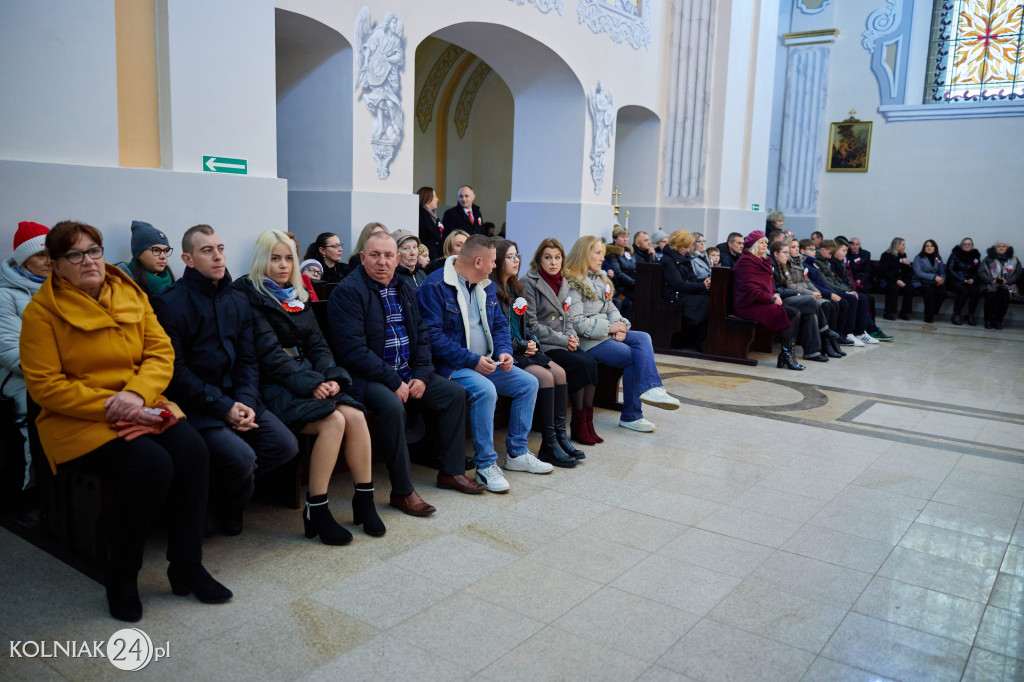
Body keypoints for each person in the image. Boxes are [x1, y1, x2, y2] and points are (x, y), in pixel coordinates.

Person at [20, 220, 231, 622]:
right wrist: (116, 406)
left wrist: (136, 396)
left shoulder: (130, 293)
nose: (89, 262)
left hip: (142, 401)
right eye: (75, 255)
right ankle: (122, 575)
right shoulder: (41, 313)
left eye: (94, 251)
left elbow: (160, 353)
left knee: (193, 451)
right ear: (57, 264)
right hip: (79, 418)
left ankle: (186, 565)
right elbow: (47, 388)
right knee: (151, 465)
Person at [235, 230, 385, 542]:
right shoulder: (251, 296)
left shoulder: (296, 295)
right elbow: (271, 356)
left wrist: (330, 377)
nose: (282, 265)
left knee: (355, 416)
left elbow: (318, 346)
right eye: (275, 258)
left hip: (306, 378)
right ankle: (316, 508)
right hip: (272, 384)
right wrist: (314, 383)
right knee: (334, 421)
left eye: (288, 258)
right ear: (262, 260)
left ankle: (364, 500)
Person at [152, 225, 298, 537]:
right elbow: (175, 373)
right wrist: (224, 408)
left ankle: (218, 498)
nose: (218, 256)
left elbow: (248, 359)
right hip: (197, 405)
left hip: (239, 397)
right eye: (207, 250)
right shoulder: (169, 303)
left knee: (284, 446)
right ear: (188, 260)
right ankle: (227, 508)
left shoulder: (236, 299)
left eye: (220, 248)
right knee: (241, 457)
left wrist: (244, 401)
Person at [329, 231, 485, 503]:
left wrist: (422, 376)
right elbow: (352, 351)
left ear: (397, 258)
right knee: (391, 406)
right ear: (363, 257)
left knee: (453, 394)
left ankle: (451, 472)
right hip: (367, 378)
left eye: (389, 256)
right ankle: (402, 490)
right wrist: (394, 381)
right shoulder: (349, 291)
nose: (382, 262)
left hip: (407, 373)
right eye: (375, 255)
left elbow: (422, 336)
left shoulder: (404, 287)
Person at [417, 234, 551, 493]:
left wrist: (503, 351)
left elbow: (500, 324)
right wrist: (472, 360)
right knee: (485, 390)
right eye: (491, 261)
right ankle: (485, 464)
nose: (494, 266)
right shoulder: (435, 286)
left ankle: (517, 453)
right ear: (478, 261)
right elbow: (433, 338)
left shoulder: (485, 285)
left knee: (528, 383)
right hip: (451, 366)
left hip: (486, 362)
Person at [565, 235, 680, 433]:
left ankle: (653, 389)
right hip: (588, 341)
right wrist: (611, 328)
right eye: (598, 253)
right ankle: (631, 415)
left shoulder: (600, 278)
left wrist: (621, 326)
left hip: (605, 333)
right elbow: (576, 323)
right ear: (584, 255)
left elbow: (611, 309)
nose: (603, 258)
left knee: (643, 337)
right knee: (632, 357)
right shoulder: (573, 284)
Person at [490, 239, 577, 468]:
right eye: (510, 256)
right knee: (547, 377)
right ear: (498, 260)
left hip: (523, 347)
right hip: (508, 351)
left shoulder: (516, 287)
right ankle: (548, 443)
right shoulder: (492, 289)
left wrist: (532, 342)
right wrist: (521, 345)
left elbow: (527, 326)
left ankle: (559, 436)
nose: (516, 259)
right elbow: (496, 331)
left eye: (517, 255)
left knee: (560, 373)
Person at [522, 238, 600, 450]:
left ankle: (586, 423)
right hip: (545, 344)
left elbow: (567, 319)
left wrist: (572, 336)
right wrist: (564, 340)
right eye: (548, 257)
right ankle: (576, 424)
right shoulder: (529, 282)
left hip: (563, 341)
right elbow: (532, 325)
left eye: (557, 258)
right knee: (580, 365)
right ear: (539, 260)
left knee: (591, 362)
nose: (553, 262)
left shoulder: (563, 282)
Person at [0, 221, 50, 490]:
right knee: (42, 417)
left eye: (52, 254)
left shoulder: (68, 288)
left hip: (66, 372)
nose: (49, 261)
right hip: (22, 378)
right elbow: (10, 351)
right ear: (24, 260)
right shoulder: (6, 295)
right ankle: (34, 491)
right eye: (41, 255)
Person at [732, 231, 804, 370]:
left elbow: (768, 285)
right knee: (791, 313)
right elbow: (750, 289)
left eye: (766, 242)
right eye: (761, 242)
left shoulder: (759, 261)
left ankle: (786, 354)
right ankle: (786, 355)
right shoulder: (746, 263)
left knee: (794, 312)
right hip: (748, 305)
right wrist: (771, 298)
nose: (765, 245)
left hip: (760, 302)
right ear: (753, 245)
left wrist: (775, 294)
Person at [816, 240, 885, 344]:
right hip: (829, 290)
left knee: (862, 297)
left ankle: (860, 332)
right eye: (843, 250)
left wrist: (849, 290)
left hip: (834, 289)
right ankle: (848, 332)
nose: (845, 254)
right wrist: (845, 291)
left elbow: (836, 280)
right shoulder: (820, 262)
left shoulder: (827, 261)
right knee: (852, 298)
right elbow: (827, 283)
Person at [786, 239, 846, 358]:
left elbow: (807, 281)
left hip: (807, 294)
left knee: (832, 305)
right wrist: (811, 294)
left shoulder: (800, 262)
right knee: (824, 305)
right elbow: (790, 285)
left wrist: (817, 292)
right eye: (793, 247)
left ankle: (829, 342)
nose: (796, 249)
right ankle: (825, 339)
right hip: (798, 295)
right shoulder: (785, 264)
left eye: (797, 246)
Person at [770, 242, 827, 362]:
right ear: (775, 254)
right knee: (810, 300)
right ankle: (824, 329)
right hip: (777, 300)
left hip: (785, 297)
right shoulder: (771, 265)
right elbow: (775, 289)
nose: (788, 255)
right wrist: (795, 293)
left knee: (809, 313)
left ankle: (813, 352)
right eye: (785, 252)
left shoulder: (782, 265)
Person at [659, 230, 710, 352]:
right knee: (706, 302)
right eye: (686, 247)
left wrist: (705, 284)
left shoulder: (684, 257)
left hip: (684, 292)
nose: (688, 250)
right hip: (674, 296)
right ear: (677, 245)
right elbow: (678, 284)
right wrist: (702, 286)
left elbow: (691, 278)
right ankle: (700, 341)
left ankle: (703, 340)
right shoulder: (668, 260)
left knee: (712, 298)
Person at [117, 220, 175, 296]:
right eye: (156, 250)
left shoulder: (170, 281)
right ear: (138, 253)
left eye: (166, 251)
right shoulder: (121, 282)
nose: (163, 256)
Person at [979, 241, 1020, 330]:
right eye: (999, 246)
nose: (1001, 248)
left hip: (1006, 285)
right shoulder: (988, 259)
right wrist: (991, 280)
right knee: (990, 297)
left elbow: (1018, 272)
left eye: (1003, 246)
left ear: (1007, 248)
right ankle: (988, 320)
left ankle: (998, 321)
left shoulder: (1014, 260)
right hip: (990, 285)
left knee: (1004, 299)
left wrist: (1007, 281)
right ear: (995, 248)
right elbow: (981, 272)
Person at [945, 237, 982, 326]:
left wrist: (973, 279)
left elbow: (978, 270)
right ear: (961, 245)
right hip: (955, 280)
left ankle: (970, 315)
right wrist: (962, 279)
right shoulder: (955, 255)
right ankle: (956, 314)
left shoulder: (975, 256)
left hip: (969, 280)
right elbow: (950, 269)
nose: (967, 246)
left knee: (976, 292)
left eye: (969, 244)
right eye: (965, 244)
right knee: (963, 291)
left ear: (972, 246)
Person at [910, 239, 948, 324]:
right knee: (929, 292)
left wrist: (942, 280)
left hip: (934, 282)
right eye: (927, 246)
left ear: (935, 248)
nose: (929, 248)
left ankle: (934, 312)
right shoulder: (918, 257)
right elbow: (918, 273)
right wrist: (934, 277)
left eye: (931, 246)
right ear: (924, 248)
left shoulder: (938, 258)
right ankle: (928, 316)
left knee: (942, 292)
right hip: (920, 282)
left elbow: (942, 272)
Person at [602, 225, 635, 321]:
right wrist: (633, 283)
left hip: (629, 285)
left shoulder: (628, 252)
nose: (625, 239)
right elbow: (618, 273)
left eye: (627, 237)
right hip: (620, 287)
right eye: (622, 237)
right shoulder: (612, 254)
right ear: (615, 239)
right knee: (629, 303)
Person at [878, 237, 914, 321]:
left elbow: (906, 272)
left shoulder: (903, 255)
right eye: (903, 245)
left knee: (910, 288)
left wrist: (909, 265)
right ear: (897, 245)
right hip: (888, 280)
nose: (905, 247)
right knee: (894, 287)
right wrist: (896, 280)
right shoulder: (886, 255)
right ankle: (888, 312)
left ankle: (904, 313)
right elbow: (884, 272)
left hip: (900, 279)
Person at [417, 186, 444, 260]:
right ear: (427, 198)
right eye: (434, 197)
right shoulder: (419, 215)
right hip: (427, 256)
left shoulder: (434, 216)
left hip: (437, 254)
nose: (437, 199)